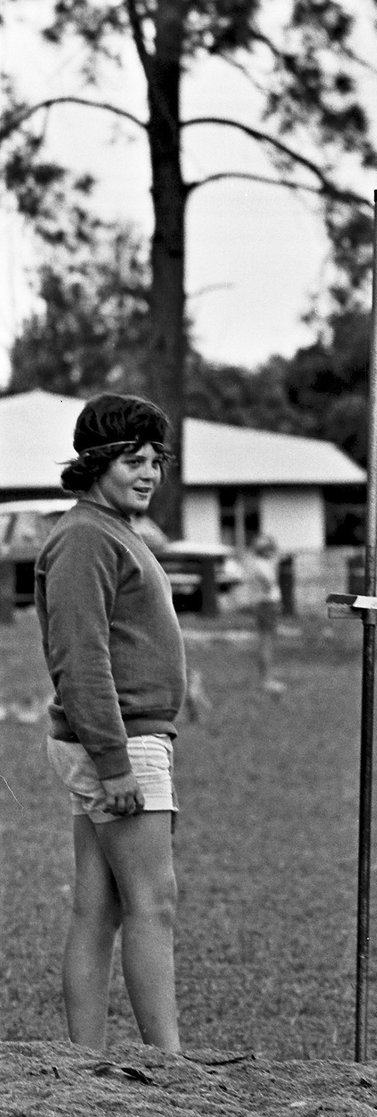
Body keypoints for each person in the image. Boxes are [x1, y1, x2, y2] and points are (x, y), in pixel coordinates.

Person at [35, 393, 186, 1053]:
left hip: (120, 738)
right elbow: (80, 660)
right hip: (117, 741)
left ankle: (84, 1066)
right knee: (154, 902)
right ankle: (170, 1061)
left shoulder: (111, 529)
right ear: (97, 461)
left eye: (155, 459)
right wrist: (117, 761)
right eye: (132, 459)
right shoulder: (86, 537)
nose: (148, 471)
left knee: (99, 908)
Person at [242, 534, 285, 695]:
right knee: (266, 642)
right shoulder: (262, 565)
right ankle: (267, 680)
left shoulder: (257, 563)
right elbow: (268, 584)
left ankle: (266, 677)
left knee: (265, 641)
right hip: (267, 604)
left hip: (262, 604)